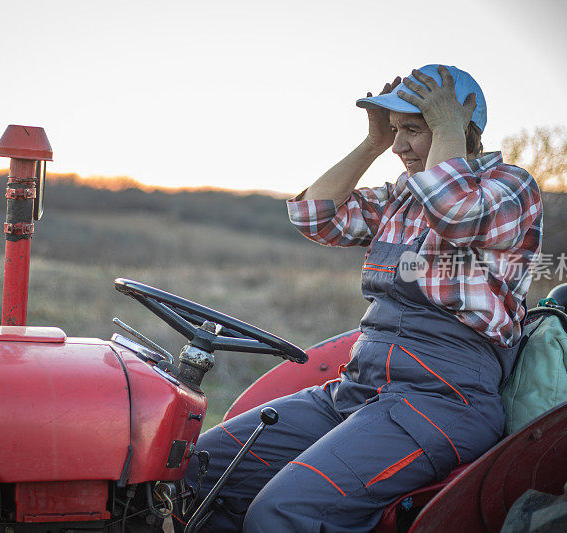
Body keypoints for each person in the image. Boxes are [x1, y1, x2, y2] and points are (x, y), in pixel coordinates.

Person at [181, 64, 543, 532]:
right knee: (200, 468)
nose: (399, 146)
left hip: (441, 400)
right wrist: (372, 140)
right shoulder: (400, 198)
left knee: (285, 512)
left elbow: (455, 212)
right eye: (395, 132)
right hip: (359, 388)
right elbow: (315, 217)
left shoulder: (511, 188)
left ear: (462, 129)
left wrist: (449, 122)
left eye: (412, 130)